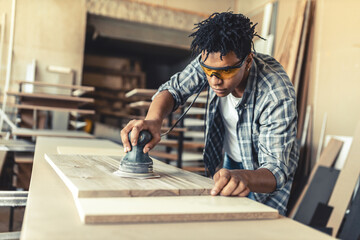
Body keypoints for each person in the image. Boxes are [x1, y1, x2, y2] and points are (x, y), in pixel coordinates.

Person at [121, 12, 299, 215]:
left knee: (260, 226)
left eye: (226, 72)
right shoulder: (213, 59)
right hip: (231, 159)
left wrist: (245, 178)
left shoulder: (276, 94)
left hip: (263, 175)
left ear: (248, 61)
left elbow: (276, 170)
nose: (214, 80)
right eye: (207, 71)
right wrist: (153, 120)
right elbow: (173, 89)